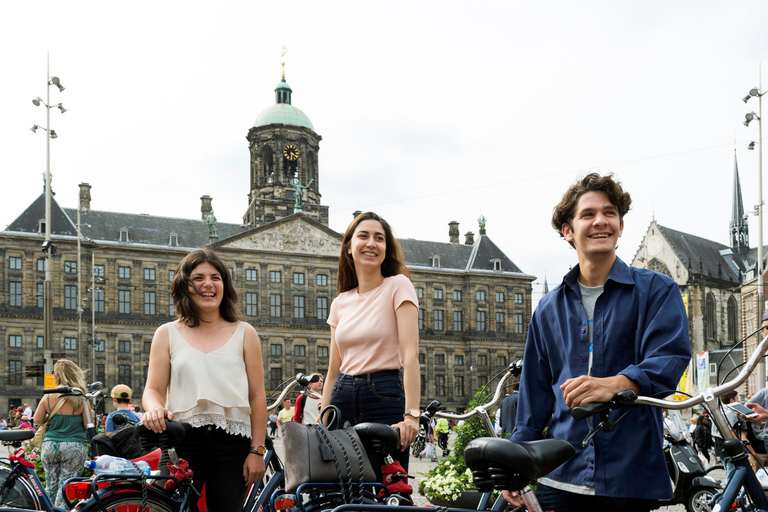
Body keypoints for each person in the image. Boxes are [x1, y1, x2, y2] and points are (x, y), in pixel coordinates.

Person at [506, 173, 691, 511]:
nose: (601, 221)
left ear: (620, 226)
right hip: (559, 475)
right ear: (568, 230)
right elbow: (533, 396)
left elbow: (670, 358)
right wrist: (517, 460)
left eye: (609, 213)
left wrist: (618, 383)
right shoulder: (548, 307)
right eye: (588, 214)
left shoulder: (656, 290)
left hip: (629, 474)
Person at [142, 249, 267, 511]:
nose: (208, 284)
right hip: (180, 442)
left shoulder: (246, 333)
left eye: (216, 277)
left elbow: (257, 396)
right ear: (184, 285)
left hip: (232, 444)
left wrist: (257, 451)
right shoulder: (166, 333)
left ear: (225, 285)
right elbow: (152, 389)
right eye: (198, 278)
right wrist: (154, 407)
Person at [320, 211, 420, 482]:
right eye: (363, 236)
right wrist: (323, 419)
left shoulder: (398, 285)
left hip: (384, 395)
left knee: (389, 485)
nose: (371, 243)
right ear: (349, 248)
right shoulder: (340, 302)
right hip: (342, 394)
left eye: (379, 238)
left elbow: (410, 355)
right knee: (339, 488)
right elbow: (332, 371)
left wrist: (412, 415)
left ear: (386, 249)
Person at [32, 359, 91, 508]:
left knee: (50, 485)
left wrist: (51, 416)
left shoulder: (48, 396)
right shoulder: (80, 396)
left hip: (50, 445)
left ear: (58, 375)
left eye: (53, 373)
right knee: (66, 487)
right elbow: (88, 423)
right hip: (74, 446)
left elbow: (37, 419)